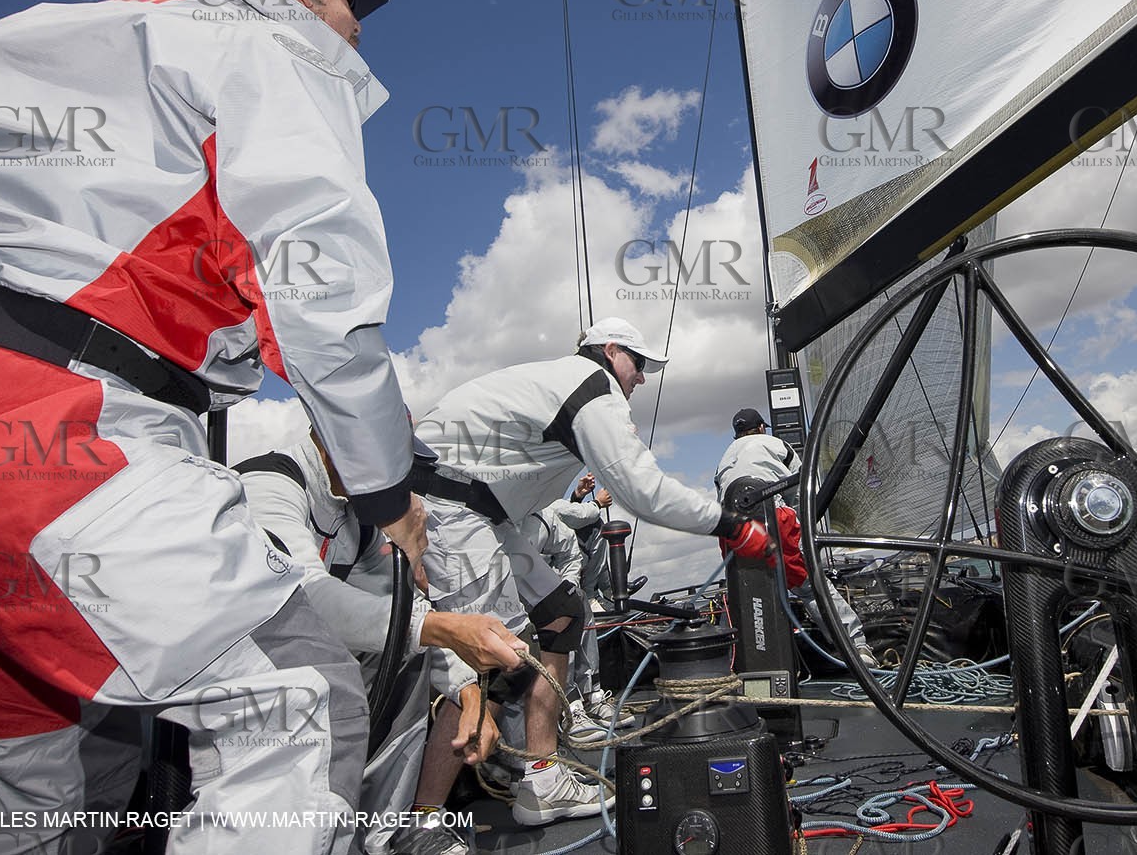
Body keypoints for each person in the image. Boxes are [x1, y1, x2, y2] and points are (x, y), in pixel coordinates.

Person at [0, 0, 435, 855]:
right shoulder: (266, 48)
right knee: (296, 709)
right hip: (48, 426)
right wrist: (387, 491)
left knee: (43, 796)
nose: (354, 26)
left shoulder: (22, 36)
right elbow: (319, 290)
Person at [416, 317, 775, 827]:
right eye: (639, 363)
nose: (642, 377)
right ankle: (422, 820)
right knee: (490, 658)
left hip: (487, 513)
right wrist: (732, 524)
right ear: (610, 352)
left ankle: (542, 780)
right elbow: (642, 490)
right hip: (450, 508)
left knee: (562, 613)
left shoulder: (562, 385)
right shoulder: (591, 387)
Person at [240, 432, 528, 855]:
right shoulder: (269, 484)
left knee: (405, 654)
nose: (399, 481)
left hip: (295, 663)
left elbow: (398, 614)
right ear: (332, 441)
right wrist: (444, 626)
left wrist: (469, 694)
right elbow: (303, 596)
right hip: (235, 675)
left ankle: (382, 835)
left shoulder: (357, 518)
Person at [715, 409, 877, 669]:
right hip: (773, 516)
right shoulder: (777, 445)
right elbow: (801, 487)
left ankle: (733, 663)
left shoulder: (725, 458)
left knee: (743, 589)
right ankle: (856, 647)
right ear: (761, 428)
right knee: (809, 588)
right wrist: (803, 526)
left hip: (732, 527)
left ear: (737, 434)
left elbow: (720, 497)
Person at [519, 477, 632, 738]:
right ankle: (569, 707)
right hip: (510, 599)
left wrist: (568, 589)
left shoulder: (544, 514)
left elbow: (569, 548)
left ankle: (592, 694)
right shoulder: (495, 521)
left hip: (542, 585)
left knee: (577, 600)